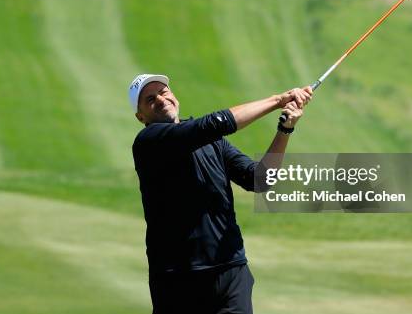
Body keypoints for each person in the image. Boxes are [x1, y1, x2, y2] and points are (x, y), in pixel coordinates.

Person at [129, 73, 312, 314]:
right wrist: (278, 99)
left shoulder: (213, 142)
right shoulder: (148, 142)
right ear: (140, 116)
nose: (161, 100)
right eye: (150, 99)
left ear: (174, 96)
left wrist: (285, 129)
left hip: (230, 272)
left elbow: (260, 180)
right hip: (178, 280)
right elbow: (217, 123)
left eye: (164, 92)